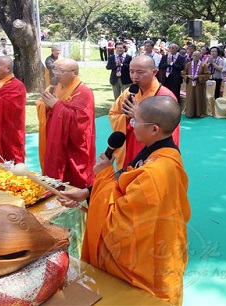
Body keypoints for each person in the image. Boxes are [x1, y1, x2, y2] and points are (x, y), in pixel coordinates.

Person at [59, 96, 191, 305]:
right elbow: (125, 181)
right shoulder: (156, 151)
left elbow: (119, 222)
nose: (131, 125)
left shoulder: (158, 170)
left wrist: (103, 174)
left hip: (147, 259)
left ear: (154, 129)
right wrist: (88, 192)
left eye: (135, 121)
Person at [108, 55, 180, 168]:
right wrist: (126, 118)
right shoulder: (128, 93)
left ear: (154, 72)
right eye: (131, 72)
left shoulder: (164, 97)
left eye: (140, 72)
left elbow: (169, 130)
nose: (135, 76)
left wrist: (138, 116)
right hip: (130, 141)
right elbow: (114, 113)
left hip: (150, 147)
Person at [35, 58, 96, 188]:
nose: (56, 73)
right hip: (54, 135)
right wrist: (46, 105)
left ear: (74, 72)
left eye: (61, 70)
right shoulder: (54, 87)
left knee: (73, 176)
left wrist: (57, 105)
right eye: (55, 69)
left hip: (73, 143)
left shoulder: (84, 92)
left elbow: (81, 120)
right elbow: (41, 102)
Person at [183, 50, 210, 118]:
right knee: (190, 98)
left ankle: (199, 113)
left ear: (200, 56)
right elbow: (184, 73)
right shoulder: (188, 64)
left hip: (199, 85)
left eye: (197, 56)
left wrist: (198, 76)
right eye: (194, 55)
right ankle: (190, 113)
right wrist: (188, 76)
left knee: (199, 98)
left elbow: (207, 75)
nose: (195, 57)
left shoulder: (204, 65)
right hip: (190, 84)